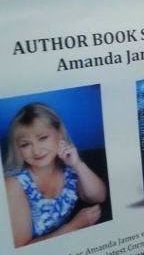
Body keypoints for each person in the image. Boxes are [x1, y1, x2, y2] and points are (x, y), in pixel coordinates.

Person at [3, 103, 107, 247]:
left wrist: (77, 164)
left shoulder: (68, 169)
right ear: (18, 149)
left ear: (59, 134)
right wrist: (74, 226)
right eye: (25, 144)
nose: (36, 151)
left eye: (42, 138)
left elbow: (99, 196)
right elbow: (21, 249)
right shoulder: (13, 184)